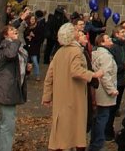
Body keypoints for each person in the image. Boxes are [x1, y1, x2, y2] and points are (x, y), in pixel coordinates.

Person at [42, 22, 103, 151]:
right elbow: (75, 70)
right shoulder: (76, 51)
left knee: (62, 131)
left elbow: (49, 76)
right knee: (77, 130)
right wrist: (94, 74)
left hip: (61, 97)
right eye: (75, 30)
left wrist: (47, 96)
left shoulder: (59, 52)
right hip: (74, 97)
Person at [0, 22, 30, 151]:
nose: (15, 31)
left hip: (10, 87)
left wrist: (27, 69)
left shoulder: (16, 46)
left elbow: (15, 64)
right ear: (6, 35)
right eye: (11, 30)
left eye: (15, 29)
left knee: (2, 121)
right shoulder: (6, 44)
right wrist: (16, 41)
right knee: (8, 125)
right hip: (6, 89)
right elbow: (10, 55)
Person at [90, 33, 118, 151]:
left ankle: (95, 144)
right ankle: (97, 145)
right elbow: (105, 75)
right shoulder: (105, 56)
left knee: (97, 119)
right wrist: (111, 90)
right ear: (102, 42)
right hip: (104, 92)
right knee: (102, 118)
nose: (110, 39)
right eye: (107, 38)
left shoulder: (96, 53)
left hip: (98, 90)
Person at [24, 14, 44, 81]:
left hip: (35, 47)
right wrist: (27, 37)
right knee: (27, 62)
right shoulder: (28, 27)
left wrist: (34, 36)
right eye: (31, 19)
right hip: (28, 46)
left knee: (35, 61)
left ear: (35, 20)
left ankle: (37, 75)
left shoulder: (38, 28)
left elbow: (41, 38)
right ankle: (27, 74)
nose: (32, 20)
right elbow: (25, 34)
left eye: (33, 19)